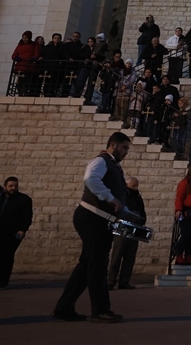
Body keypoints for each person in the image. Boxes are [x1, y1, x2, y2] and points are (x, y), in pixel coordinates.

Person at [53, 132, 132, 323]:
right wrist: (109, 197)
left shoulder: (112, 165)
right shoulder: (101, 161)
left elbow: (114, 195)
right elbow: (90, 179)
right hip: (91, 218)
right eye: (124, 148)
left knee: (87, 265)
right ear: (113, 145)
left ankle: (64, 308)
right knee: (97, 266)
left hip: (99, 219)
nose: (126, 152)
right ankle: (100, 310)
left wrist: (126, 212)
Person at [0, 175, 33, 290]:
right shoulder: (0, 199)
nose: (13, 188)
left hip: (13, 233)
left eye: (15, 186)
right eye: (11, 186)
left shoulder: (24, 200)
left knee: (7, 256)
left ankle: (3, 281)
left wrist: (23, 229)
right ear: (5, 186)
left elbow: (27, 216)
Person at [107, 177, 145, 290]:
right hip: (122, 227)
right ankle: (111, 280)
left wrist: (140, 220)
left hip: (134, 228)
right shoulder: (122, 195)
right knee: (117, 255)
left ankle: (124, 281)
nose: (136, 188)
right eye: (133, 185)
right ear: (127, 185)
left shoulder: (137, 197)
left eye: (136, 185)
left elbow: (142, 211)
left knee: (130, 257)